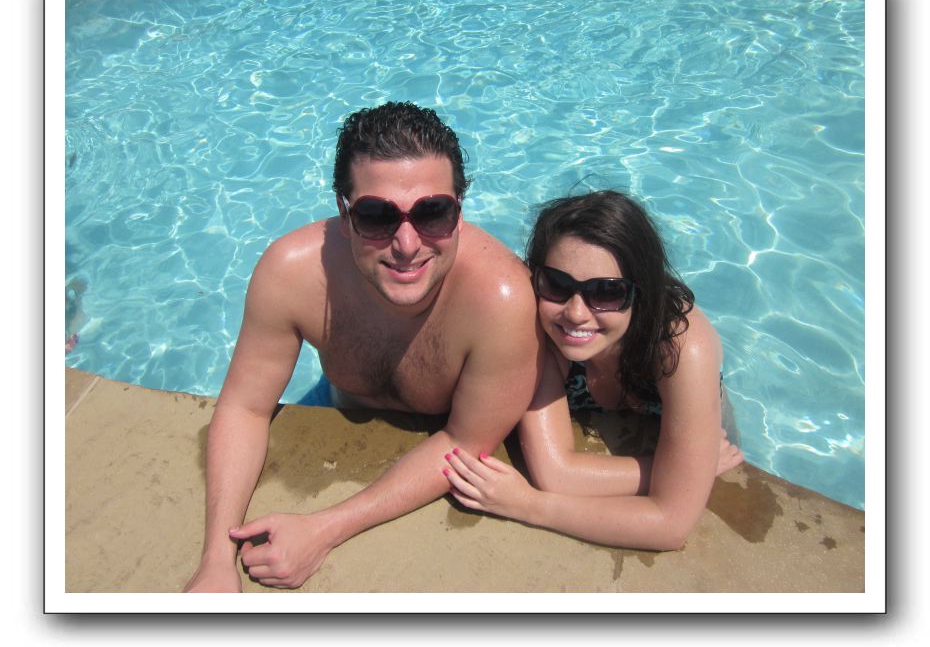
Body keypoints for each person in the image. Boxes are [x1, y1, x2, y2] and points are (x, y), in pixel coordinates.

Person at [184, 102, 543, 591]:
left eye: (433, 212)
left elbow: (463, 442)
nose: (407, 245)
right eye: (377, 216)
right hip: (336, 401)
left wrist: (323, 529)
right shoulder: (292, 273)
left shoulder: (501, 300)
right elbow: (246, 407)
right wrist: (216, 561)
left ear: (459, 211)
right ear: (344, 212)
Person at [441, 190, 744, 551]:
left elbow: (670, 525)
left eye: (605, 292)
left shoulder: (680, 346)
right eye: (558, 284)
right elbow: (557, 475)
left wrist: (528, 506)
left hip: (699, 414)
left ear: (641, 293)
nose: (575, 313)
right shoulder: (539, 329)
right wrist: (682, 470)